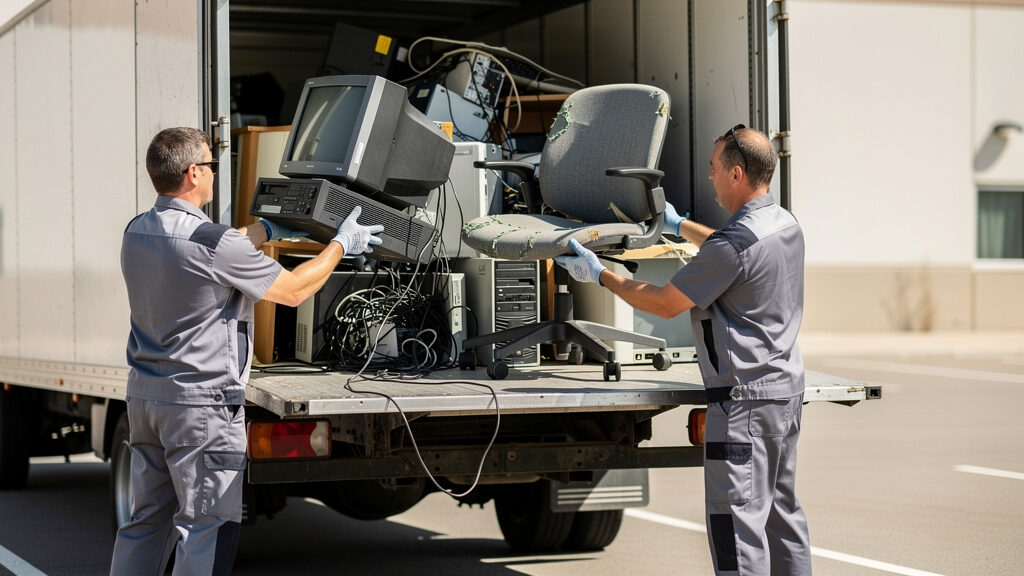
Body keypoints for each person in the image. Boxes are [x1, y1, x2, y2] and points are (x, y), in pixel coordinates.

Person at [110, 127, 383, 576]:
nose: (216, 174)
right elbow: (293, 291)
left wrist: (266, 229)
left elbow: (213, 245)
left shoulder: (137, 231)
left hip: (147, 401)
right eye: (212, 166)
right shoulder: (216, 244)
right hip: (202, 409)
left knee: (147, 524)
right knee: (207, 528)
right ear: (193, 173)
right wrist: (341, 244)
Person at [555, 125, 810, 575]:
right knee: (780, 516)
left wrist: (599, 274)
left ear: (736, 173)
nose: (709, 177)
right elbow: (728, 249)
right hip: (783, 394)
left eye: (714, 169)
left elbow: (664, 303)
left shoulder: (734, 245)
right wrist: (676, 225)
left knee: (737, 528)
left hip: (743, 404)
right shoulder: (784, 224)